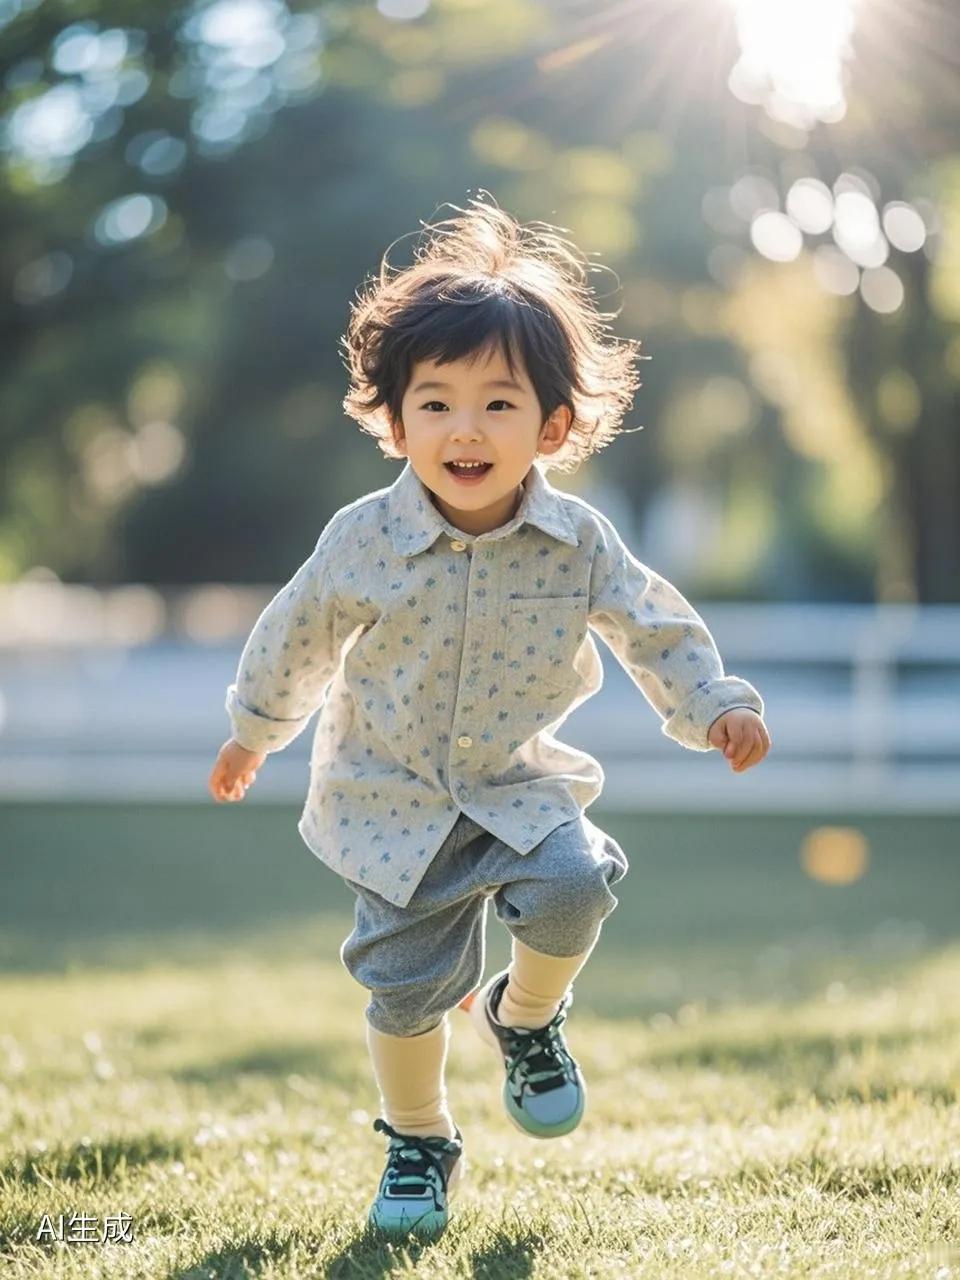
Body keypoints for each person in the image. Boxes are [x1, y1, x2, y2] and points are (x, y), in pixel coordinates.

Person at [207, 197, 771, 1239]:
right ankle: (419, 1136)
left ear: (552, 425)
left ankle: (526, 1014)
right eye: (437, 402)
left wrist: (716, 704)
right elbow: (296, 636)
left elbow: (655, 626)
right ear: (396, 418)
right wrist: (253, 730)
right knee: (408, 988)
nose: (465, 428)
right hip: (392, 799)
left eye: (499, 403)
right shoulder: (362, 539)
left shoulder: (578, 540)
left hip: (518, 785)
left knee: (575, 883)